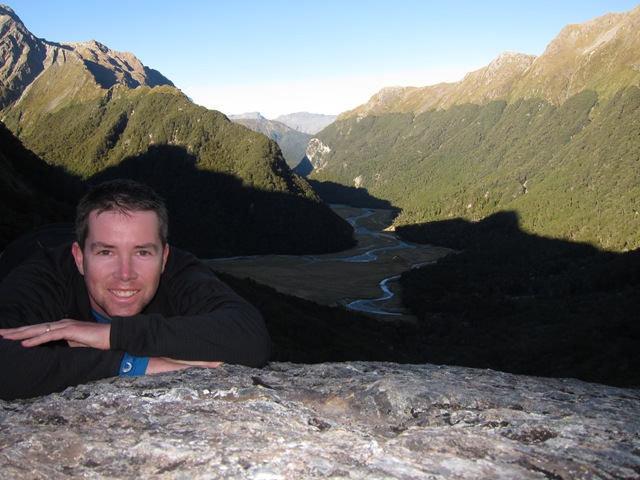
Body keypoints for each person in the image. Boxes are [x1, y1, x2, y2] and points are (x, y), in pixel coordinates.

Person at [0, 179, 271, 400]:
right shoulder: (45, 276)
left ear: (164, 257)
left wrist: (112, 336)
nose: (125, 274)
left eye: (142, 252)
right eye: (106, 251)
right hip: (26, 246)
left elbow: (249, 335)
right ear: (80, 258)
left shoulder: (179, 270)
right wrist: (134, 364)